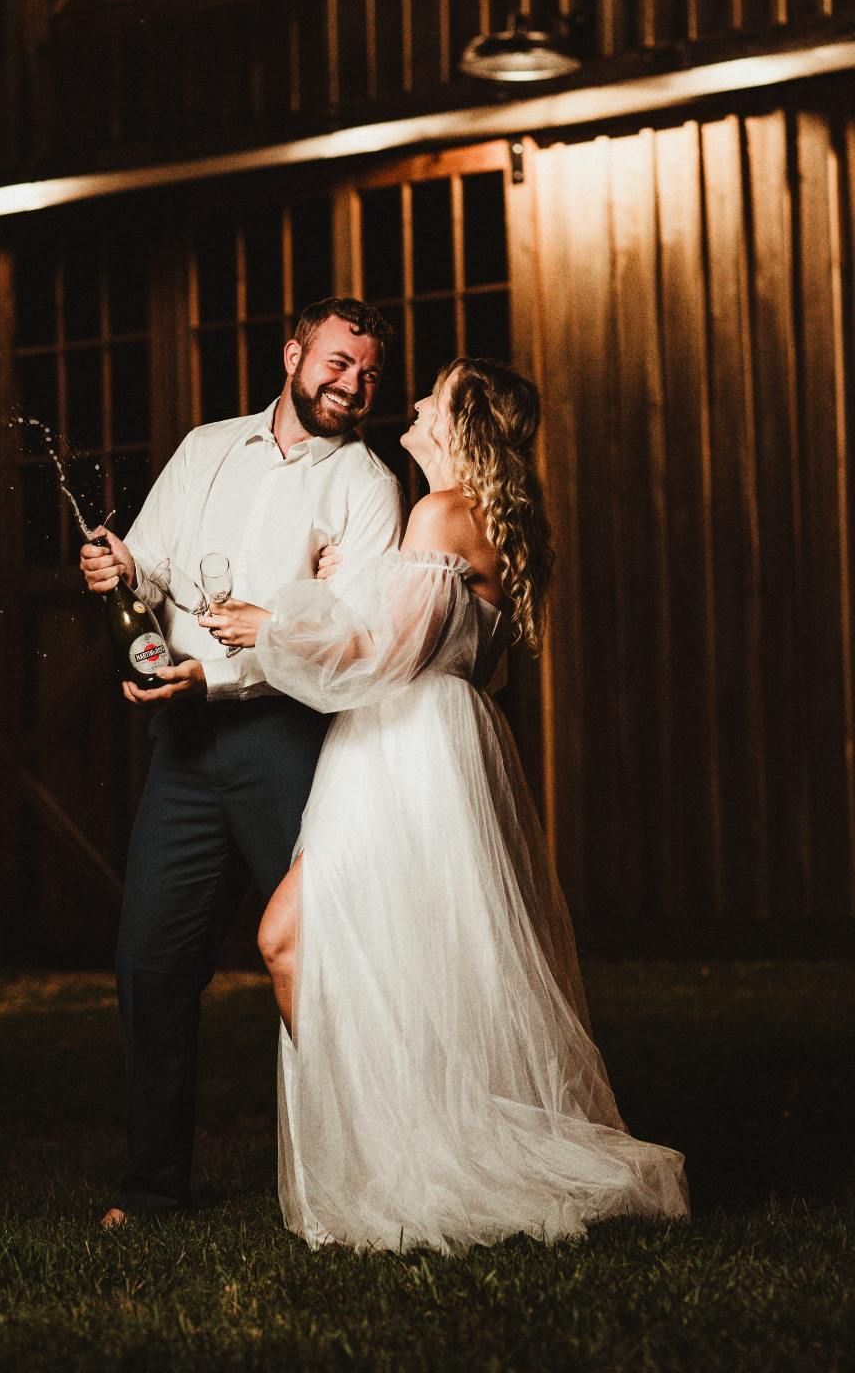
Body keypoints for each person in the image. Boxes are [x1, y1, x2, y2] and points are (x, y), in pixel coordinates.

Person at [200, 357, 690, 1252]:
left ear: (462, 424)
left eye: (434, 394)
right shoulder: (477, 522)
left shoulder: (439, 513)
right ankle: (390, 1139)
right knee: (383, 956)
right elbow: (430, 643)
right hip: (434, 746)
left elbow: (385, 660)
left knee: (291, 938)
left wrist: (272, 627)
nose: (416, 402)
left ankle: (397, 1155)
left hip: (403, 748)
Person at [79, 298, 404, 1228]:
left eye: (371, 373)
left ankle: (366, 1177)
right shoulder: (206, 446)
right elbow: (151, 563)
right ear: (294, 353)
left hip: (286, 743)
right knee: (151, 963)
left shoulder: (367, 484)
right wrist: (117, 566)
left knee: (322, 957)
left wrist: (219, 679)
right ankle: (153, 1190)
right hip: (182, 754)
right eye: (340, 362)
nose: (355, 384)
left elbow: (349, 636)